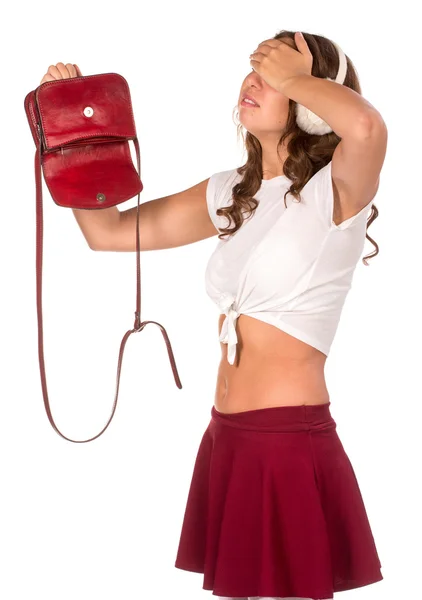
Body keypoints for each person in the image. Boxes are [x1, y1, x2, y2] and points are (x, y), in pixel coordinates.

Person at [39, 28, 387, 600]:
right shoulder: (233, 191)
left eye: (273, 76)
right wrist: (76, 137)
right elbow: (110, 233)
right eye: (255, 68)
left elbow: (367, 126)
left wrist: (296, 76)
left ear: (313, 106)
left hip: (287, 445)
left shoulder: (339, 190)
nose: (254, 81)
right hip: (227, 436)